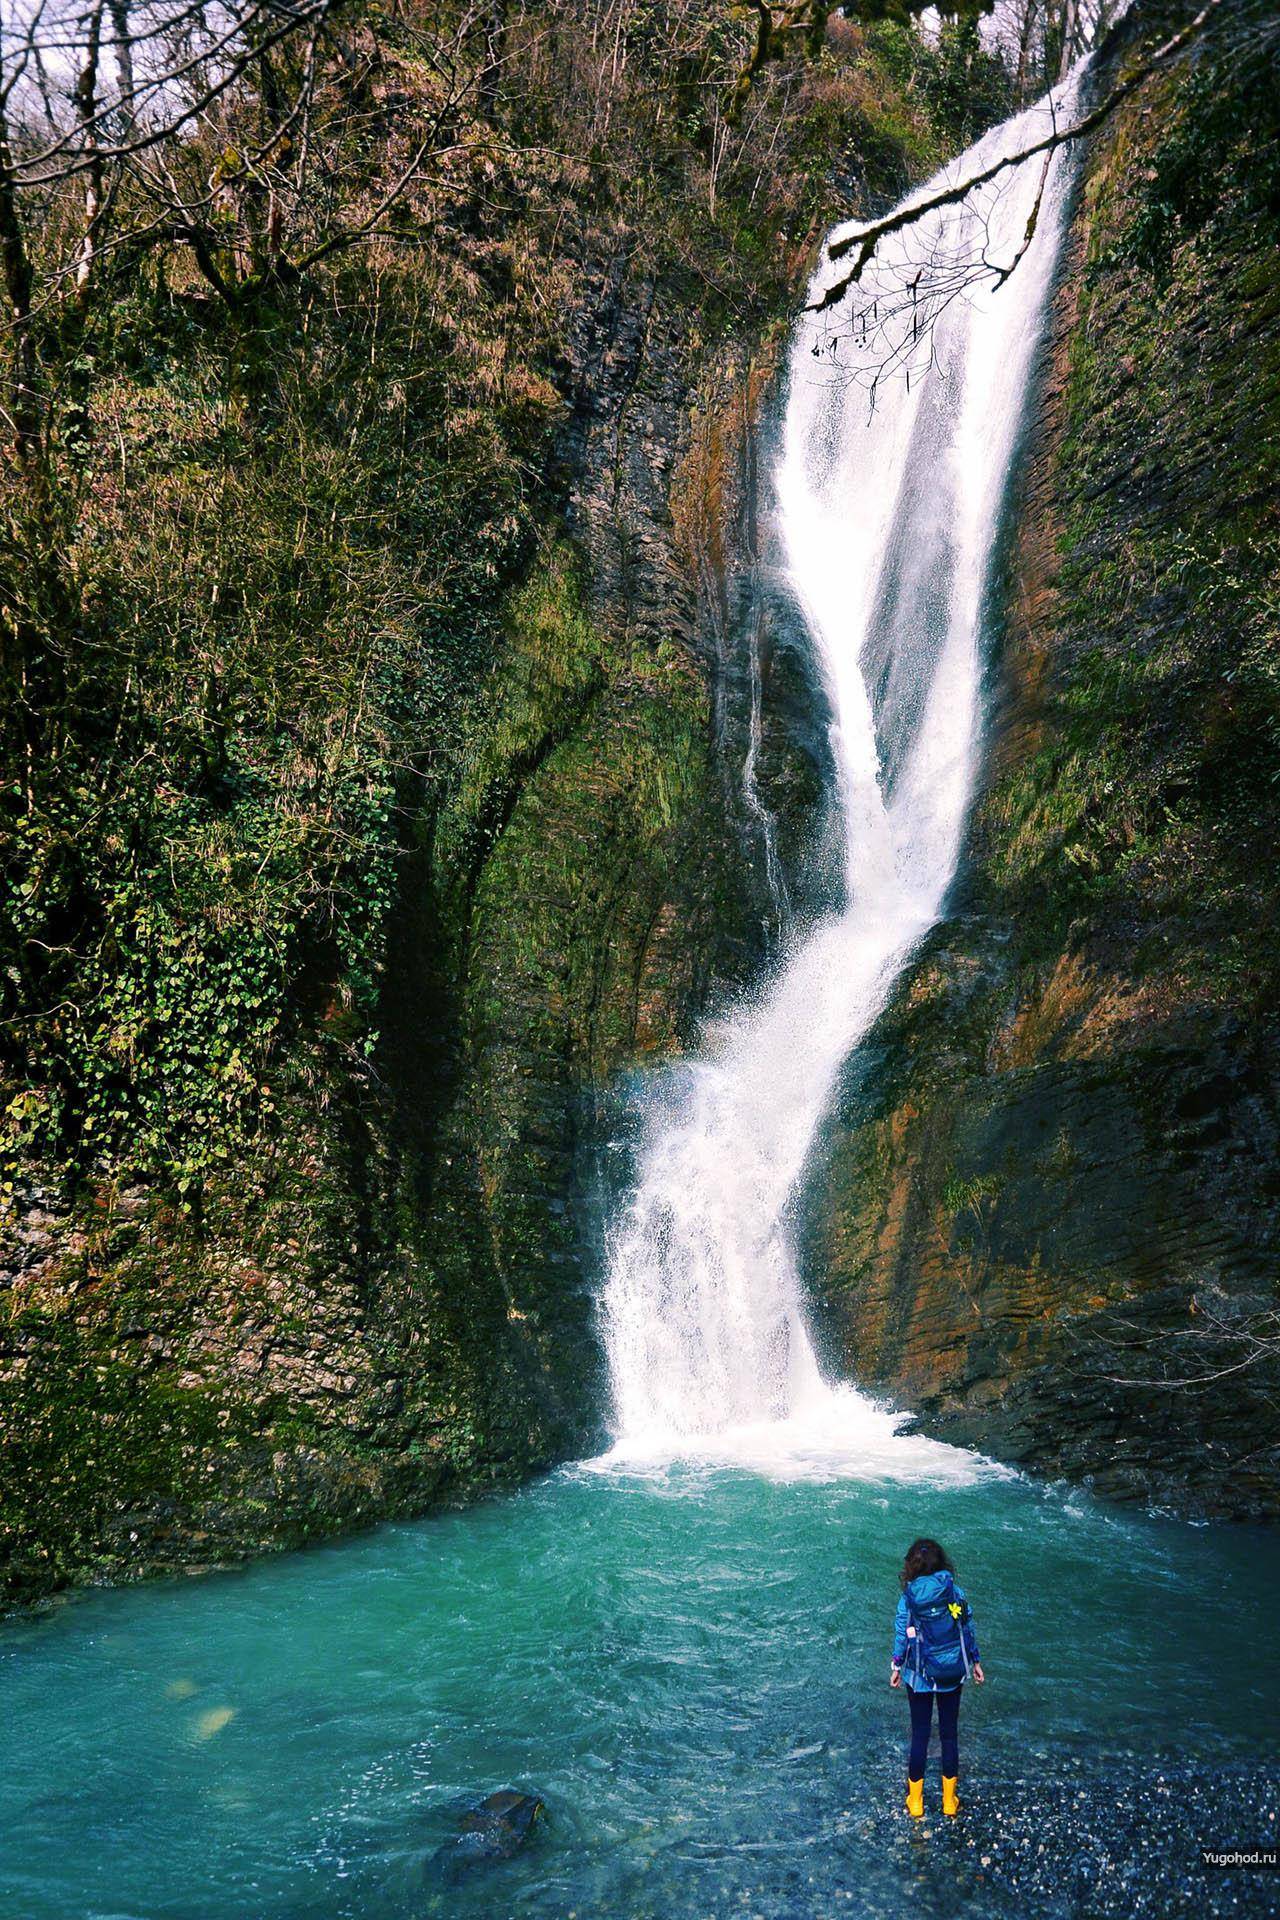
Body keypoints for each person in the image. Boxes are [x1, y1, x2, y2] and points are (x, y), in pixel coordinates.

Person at [889, 1537, 984, 1819]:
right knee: (949, 1734)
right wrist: (976, 1661)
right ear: (943, 1563)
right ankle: (948, 1802)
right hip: (951, 1672)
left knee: (920, 1734)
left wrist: (896, 1666)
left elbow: (900, 1634)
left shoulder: (908, 1598)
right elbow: (968, 1627)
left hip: (918, 1675)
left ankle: (916, 1802)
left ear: (911, 1566)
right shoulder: (954, 1591)